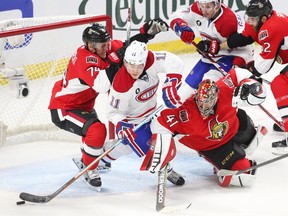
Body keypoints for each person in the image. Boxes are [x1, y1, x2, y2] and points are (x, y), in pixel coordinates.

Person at [48, 19, 169, 190]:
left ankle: (89, 159)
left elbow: (128, 47)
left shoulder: (106, 48)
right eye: (102, 46)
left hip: (85, 106)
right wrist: (117, 59)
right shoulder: (83, 58)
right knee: (97, 131)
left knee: (95, 134)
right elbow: (101, 85)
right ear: (90, 46)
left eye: (107, 44)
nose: (106, 48)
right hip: (64, 107)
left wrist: (145, 34)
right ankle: (89, 169)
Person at [144, 68, 268, 187]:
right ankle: (223, 164)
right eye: (201, 101)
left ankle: (239, 148)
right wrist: (161, 147)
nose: (204, 105)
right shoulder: (184, 113)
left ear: (216, 96)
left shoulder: (225, 89)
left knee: (253, 137)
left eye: (208, 101)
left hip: (235, 127)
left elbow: (238, 73)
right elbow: (158, 123)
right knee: (244, 175)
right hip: (213, 147)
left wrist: (249, 84)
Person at [100, 40, 185, 186]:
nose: (134, 70)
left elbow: (175, 62)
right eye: (130, 65)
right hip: (133, 121)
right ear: (125, 62)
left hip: (153, 113)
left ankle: (99, 157)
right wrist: (121, 125)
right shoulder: (121, 84)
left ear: (144, 61)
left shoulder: (151, 60)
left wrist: (171, 82)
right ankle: (165, 169)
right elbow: (113, 112)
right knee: (146, 145)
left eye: (138, 66)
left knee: (165, 137)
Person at [216, 0, 288, 155]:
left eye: (253, 19)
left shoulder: (272, 27)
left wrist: (250, 75)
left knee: (280, 84)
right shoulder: (260, 21)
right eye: (249, 17)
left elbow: (263, 66)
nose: (250, 21)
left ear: (263, 18)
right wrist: (215, 46)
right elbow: (244, 38)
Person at [167, 0, 254, 107]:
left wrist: (240, 66)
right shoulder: (196, 10)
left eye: (208, 7)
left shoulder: (229, 21)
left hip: (231, 57)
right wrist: (181, 27)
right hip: (209, 57)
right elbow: (175, 16)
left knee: (207, 89)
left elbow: (244, 43)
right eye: (201, 6)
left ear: (217, 5)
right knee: (183, 93)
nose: (204, 10)